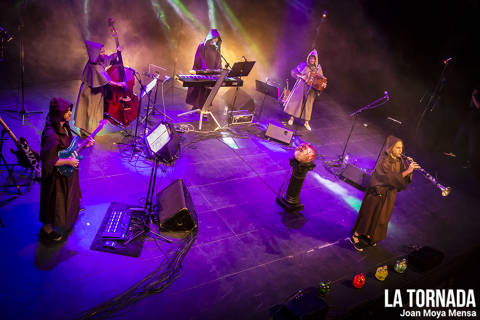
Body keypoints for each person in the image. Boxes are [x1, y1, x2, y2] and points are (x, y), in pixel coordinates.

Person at [350, 135, 419, 251]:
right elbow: (388, 179)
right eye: (397, 148)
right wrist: (408, 171)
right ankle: (355, 237)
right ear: (391, 148)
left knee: (381, 217)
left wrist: (408, 168)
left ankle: (369, 235)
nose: (400, 151)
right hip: (377, 193)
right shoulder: (384, 160)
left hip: (389, 195)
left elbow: (402, 177)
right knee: (368, 216)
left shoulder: (400, 160)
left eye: (401, 148)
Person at [39, 97, 94, 242]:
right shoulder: (51, 135)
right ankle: (47, 230)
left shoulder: (64, 125)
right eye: (67, 111)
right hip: (55, 176)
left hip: (67, 171)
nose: (70, 113)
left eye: (70, 110)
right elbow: (49, 160)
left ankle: (69, 215)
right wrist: (68, 161)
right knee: (53, 201)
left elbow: (68, 148)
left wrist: (84, 146)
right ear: (58, 113)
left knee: (69, 196)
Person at [74, 40, 125, 137]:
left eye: (103, 51)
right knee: (88, 111)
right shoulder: (94, 66)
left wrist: (116, 53)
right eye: (101, 52)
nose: (104, 53)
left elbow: (107, 59)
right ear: (95, 54)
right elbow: (107, 81)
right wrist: (119, 84)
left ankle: (90, 130)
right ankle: (86, 132)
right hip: (90, 92)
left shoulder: (98, 60)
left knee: (92, 111)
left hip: (96, 90)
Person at [284, 49, 326, 131]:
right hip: (301, 86)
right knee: (297, 102)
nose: (312, 60)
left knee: (308, 105)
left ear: (316, 59)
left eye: (314, 58)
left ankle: (306, 122)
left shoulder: (318, 68)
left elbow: (321, 80)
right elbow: (293, 72)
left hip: (311, 90)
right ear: (308, 58)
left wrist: (322, 85)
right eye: (311, 58)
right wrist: (301, 76)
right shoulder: (303, 65)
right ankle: (292, 118)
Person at [185, 29, 222, 110]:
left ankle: (204, 108)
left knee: (207, 92)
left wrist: (219, 70)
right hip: (201, 72)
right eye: (214, 39)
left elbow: (219, 60)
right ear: (210, 38)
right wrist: (206, 70)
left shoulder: (216, 48)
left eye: (217, 39)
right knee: (199, 91)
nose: (215, 41)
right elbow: (199, 58)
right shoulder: (202, 45)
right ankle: (195, 108)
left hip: (211, 74)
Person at [444, 86, 480, 168]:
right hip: (469, 120)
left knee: (472, 144)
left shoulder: (476, 96)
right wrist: (473, 96)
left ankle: (470, 162)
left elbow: (478, 106)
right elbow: (471, 105)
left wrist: (473, 96)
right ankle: (453, 152)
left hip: (475, 124)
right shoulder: (476, 95)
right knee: (459, 135)